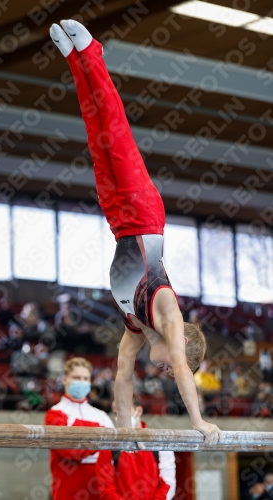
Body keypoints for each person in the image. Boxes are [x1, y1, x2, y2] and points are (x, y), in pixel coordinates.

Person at [50, 20, 220, 444]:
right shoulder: (166, 312)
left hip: (117, 221)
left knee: (94, 136)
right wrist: (198, 423)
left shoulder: (133, 327)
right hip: (144, 213)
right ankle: (92, 54)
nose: (162, 367)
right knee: (113, 129)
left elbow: (122, 378)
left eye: (163, 366)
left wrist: (124, 432)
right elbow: (182, 368)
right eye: (168, 362)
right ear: (180, 343)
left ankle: (74, 60)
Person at [44, 357, 114, 500]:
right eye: (76, 377)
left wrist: (84, 434)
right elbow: (70, 451)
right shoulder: (55, 414)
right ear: (65, 379)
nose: (81, 381)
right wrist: (101, 435)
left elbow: (115, 452)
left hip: (102, 490)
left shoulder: (100, 416)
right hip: (68, 490)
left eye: (85, 378)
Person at [96, 395, 176, 500]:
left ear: (138, 411)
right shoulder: (109, 446)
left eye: (123, 412)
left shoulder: (159, 442)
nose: (119, 418)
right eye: (116, 413)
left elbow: (168, 484)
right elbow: (105, 489)